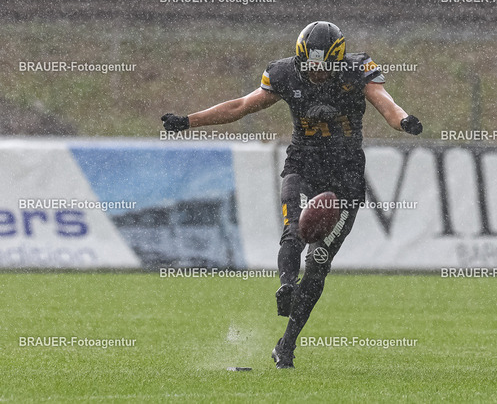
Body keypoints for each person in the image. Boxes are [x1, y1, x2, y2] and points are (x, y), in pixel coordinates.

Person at [161, 21, 422, 369]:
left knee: (317, 263)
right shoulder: (285, 74)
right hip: (303, 164)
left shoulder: (357, 70)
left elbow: (386, 104)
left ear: (338, 62)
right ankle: (286, 285)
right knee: (294, 230)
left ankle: (287, 344)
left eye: (322, 68)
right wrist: (188, 121)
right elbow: (241, 106)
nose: (315, 74)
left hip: (344, 177)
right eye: (309, 66)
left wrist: (404, 121)